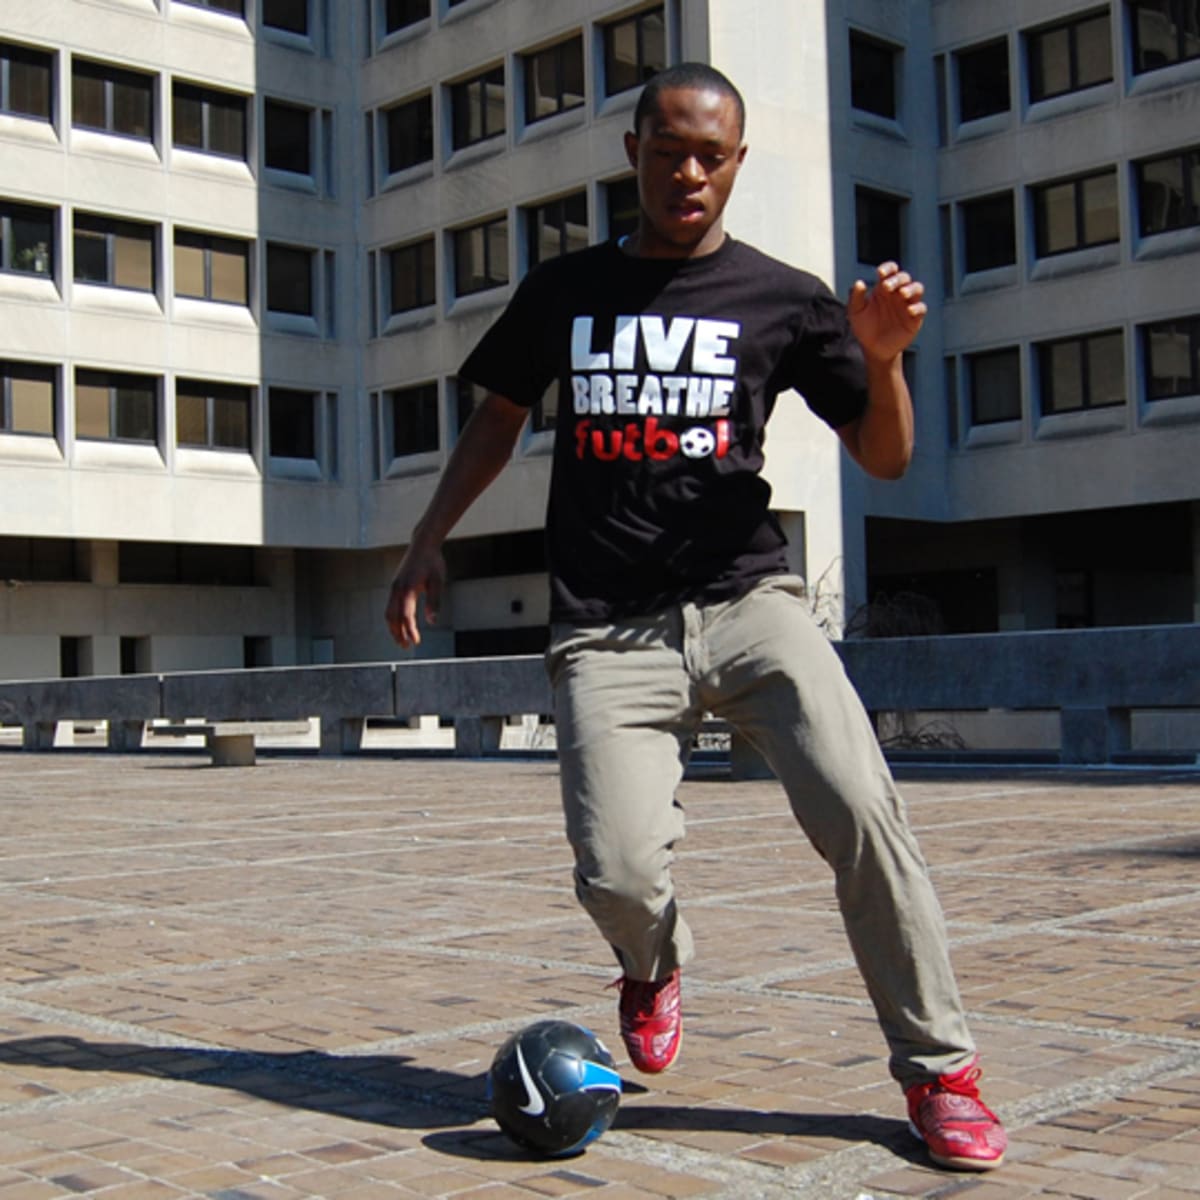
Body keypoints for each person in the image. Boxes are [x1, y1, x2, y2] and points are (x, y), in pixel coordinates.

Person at [385, 62, 1007, 1172]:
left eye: (709, 154)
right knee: (616, 871)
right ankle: (653, 961)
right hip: (605, 629)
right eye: (667, 148)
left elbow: (888, 456)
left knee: (866, 816)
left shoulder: (785, 299)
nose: (686, 171)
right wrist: (430, 536)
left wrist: (881, 358)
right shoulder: (564, 292)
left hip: (749, 604)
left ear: (735, 165)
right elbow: (496, 421)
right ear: (632, 152)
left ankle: (941, 1071)